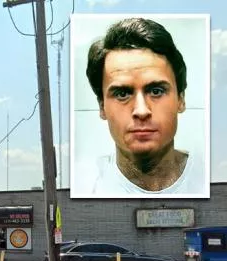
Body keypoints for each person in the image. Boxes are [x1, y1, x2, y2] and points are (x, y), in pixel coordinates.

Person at [84, 17, 202, 195]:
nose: (141, 111)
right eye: (122, 94)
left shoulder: (208, 178)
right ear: (102, 107)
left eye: (156, 91)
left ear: (181, 99)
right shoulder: (87, 186)